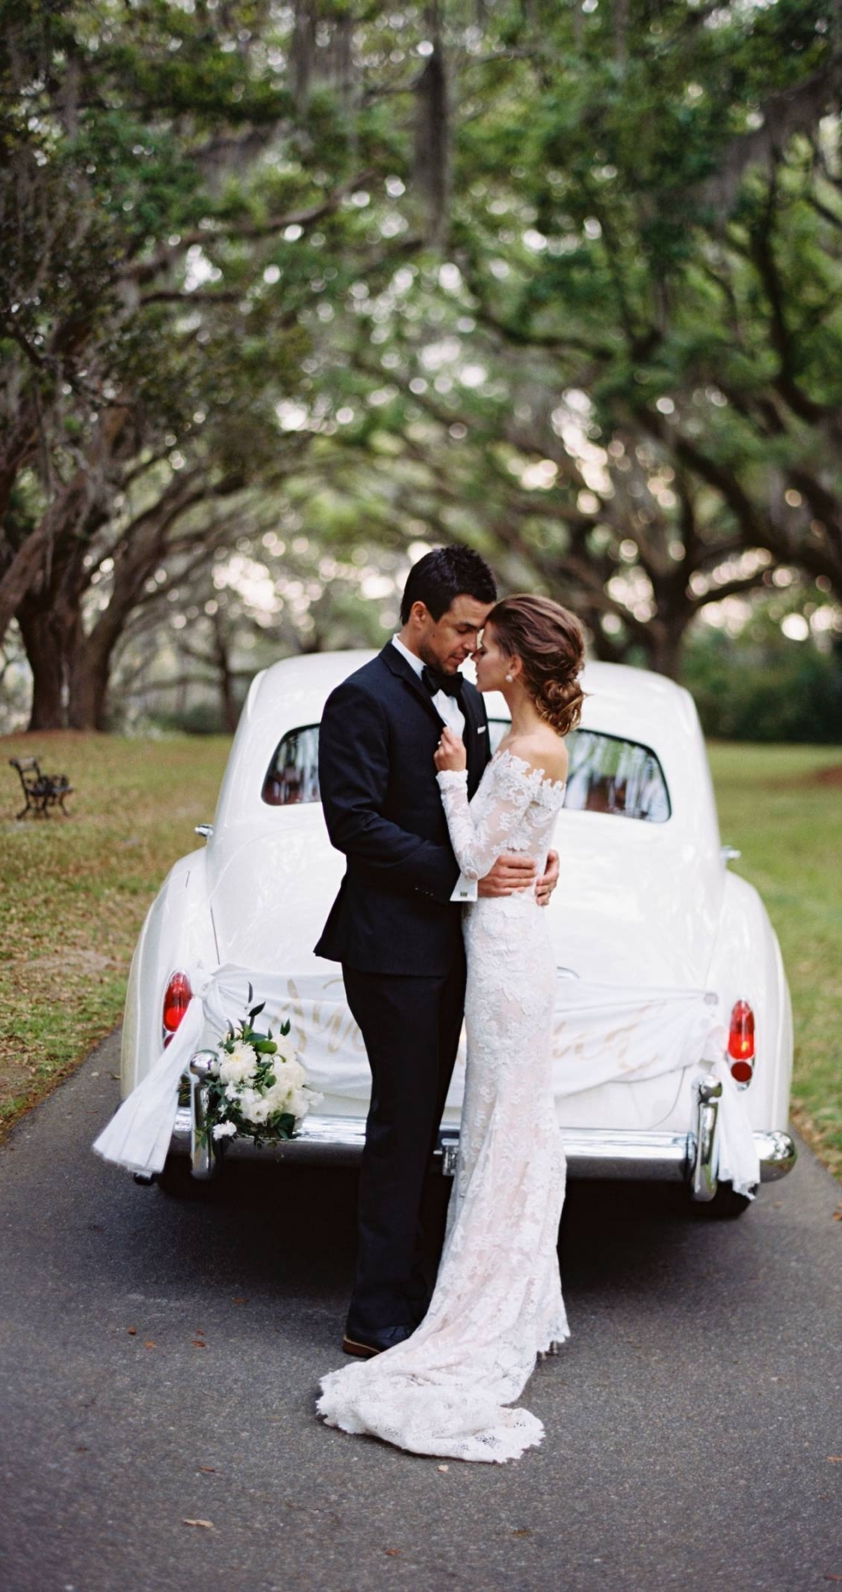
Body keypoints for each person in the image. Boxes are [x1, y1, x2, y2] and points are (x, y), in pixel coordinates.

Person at [316, 593, 586, 1463]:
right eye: (465, 632)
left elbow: (506, 818)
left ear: (513, 656)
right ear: (424, 613)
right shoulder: (362, 695)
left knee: (488, 1122)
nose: (472, 652)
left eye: (486, 639)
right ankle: (378, 1313)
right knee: (409, 1120)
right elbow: (354, 825)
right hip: (401, 943)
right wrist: (484, 867)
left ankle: (463, 1295)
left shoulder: (478, 708)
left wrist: (540, 862)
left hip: (488, 948)